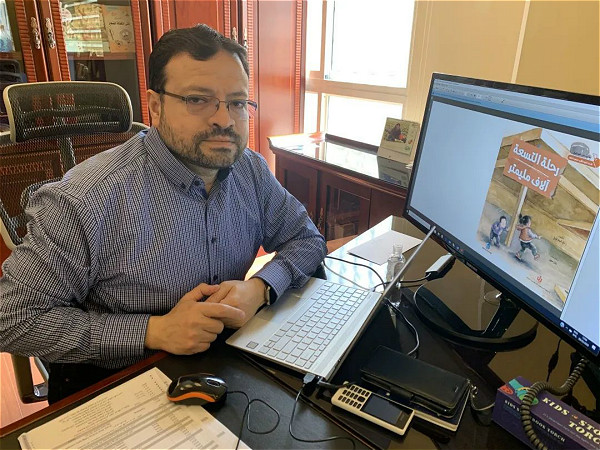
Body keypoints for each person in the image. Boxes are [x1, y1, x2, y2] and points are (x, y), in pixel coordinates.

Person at [0, 24, 327, 403]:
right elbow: (12, 318)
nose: (224, 120)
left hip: (223, 359)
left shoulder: (250, 170)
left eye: (237, 103)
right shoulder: (84, 200)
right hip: (118, 378)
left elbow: (306, 239)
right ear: (156, 106)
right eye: (198, 99)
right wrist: (154, 331)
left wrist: (260, 288)